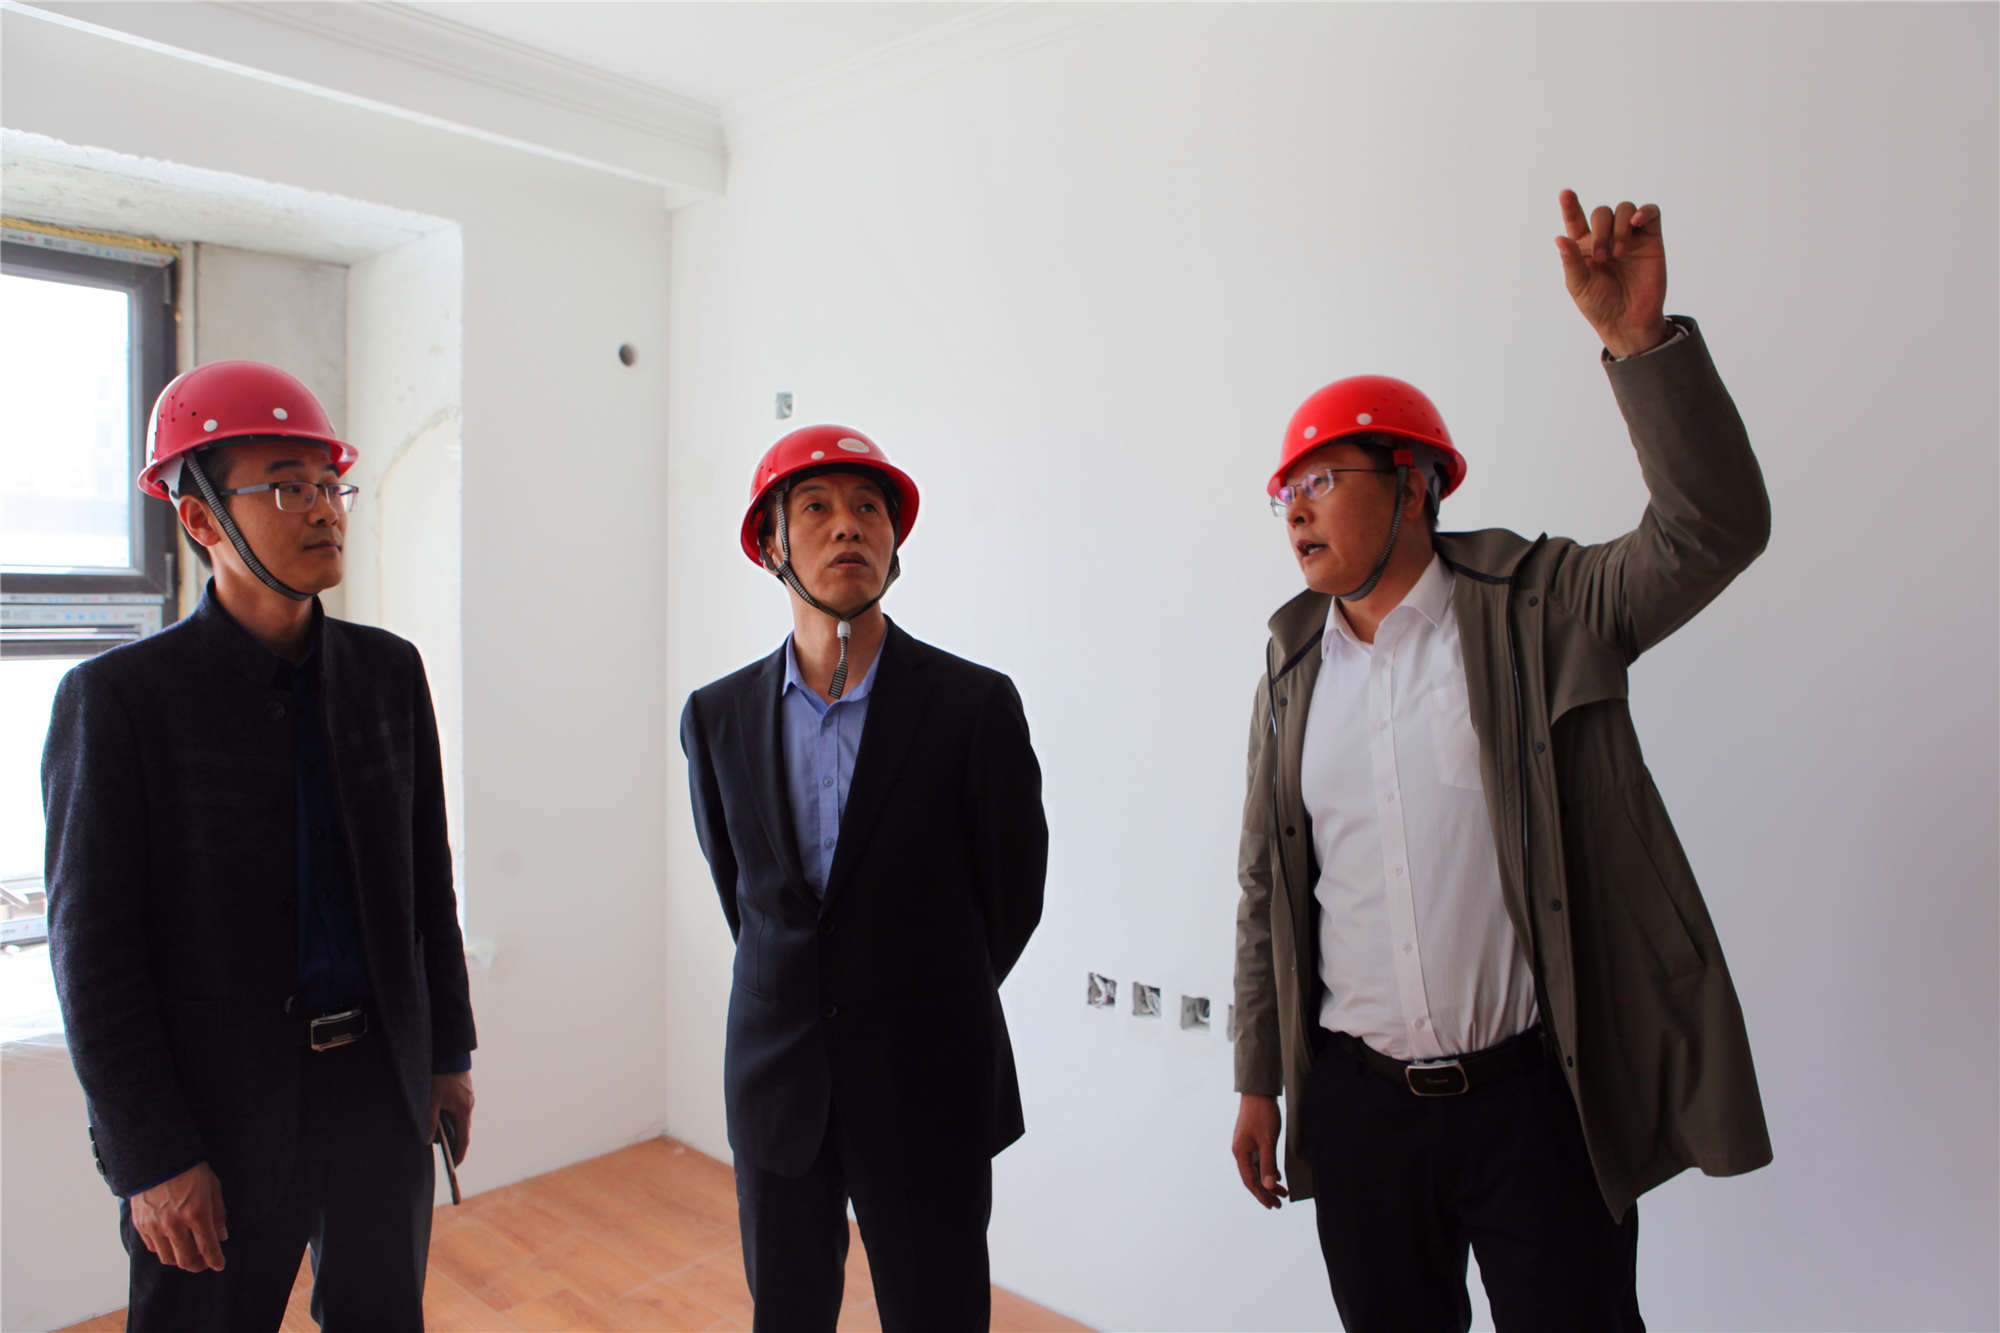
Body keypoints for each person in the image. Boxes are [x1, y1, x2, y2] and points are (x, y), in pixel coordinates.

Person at [1228, 192, 1773, 1331]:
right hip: (1361, 1112)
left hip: (1535, 1101)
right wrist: (1256, 1077)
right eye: (1286, 490)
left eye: (1324, 479)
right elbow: (1265, 889)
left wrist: (1638, 345)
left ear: (1415, 483)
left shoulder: (1543, 604)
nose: (1296, 511)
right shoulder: (1289, 669)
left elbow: (1711, 531)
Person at [43, 360, 477, 1332]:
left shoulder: (387, 672)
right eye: (287, 486)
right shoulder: (119, 702)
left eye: (329, 484)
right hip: (217, 1120)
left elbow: (425, 882)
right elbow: (93, 955)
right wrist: (152, 1156)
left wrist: (447, 1051)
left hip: (377, 1095)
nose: (322, 508)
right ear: (201, 519)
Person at [679, 424, 1047, 1332]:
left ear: (894, 539)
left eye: (869, 508)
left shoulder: (973, 706)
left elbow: (1013, 896)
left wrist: (915, 991)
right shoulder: (717, 717)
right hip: (778, 1083)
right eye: (815, 507)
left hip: (929, 1080)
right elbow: (748, 899)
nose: (848, 525)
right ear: (772, 545)